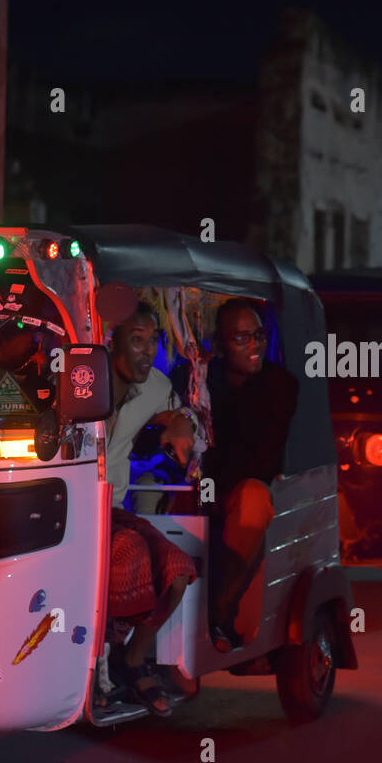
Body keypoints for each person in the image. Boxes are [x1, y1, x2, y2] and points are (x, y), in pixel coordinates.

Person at [172, 298, 298, 651]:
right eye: (241, 339)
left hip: (240, 484)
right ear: (220, 345)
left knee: (253, 502)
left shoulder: (279, 385)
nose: (254, 345)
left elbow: (261, 457)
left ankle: (219, 614)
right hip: (196, 481)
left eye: (258, 335)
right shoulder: (197, 378)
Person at [103, 301, 199, 714]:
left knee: (177, 573)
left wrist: (182, 423)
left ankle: (132, 658)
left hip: (110, 510)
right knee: (127, 559)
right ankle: (98, 673)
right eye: (135, 340)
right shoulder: (82, 381)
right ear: (112, 342)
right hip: (67, 509)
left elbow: (184, 411)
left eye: (152, 341)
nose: (145, 351)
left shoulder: (156, 386)